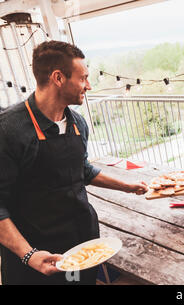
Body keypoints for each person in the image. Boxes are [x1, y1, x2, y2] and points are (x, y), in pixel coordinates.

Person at [0, 41, 148, 285]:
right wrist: (29, 255)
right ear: (58, 78)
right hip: (36, 257)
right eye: (83, 78)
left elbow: (83, 170)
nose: (88, 86)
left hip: (83, 246)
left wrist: (127, 186)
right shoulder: (9, 130)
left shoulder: (78, 123)